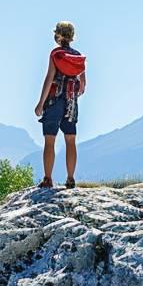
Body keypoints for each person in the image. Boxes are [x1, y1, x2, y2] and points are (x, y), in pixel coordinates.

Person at [34, 21, 86, 187]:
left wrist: (40, 103)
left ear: (58, 35)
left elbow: (50, 78)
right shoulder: (78, 56)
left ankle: (48, 179)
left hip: (54, 101)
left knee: (50, 140)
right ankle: (70, 179)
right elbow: (83, 85)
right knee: (70, 139)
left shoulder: (56, 54)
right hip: (71, 103)